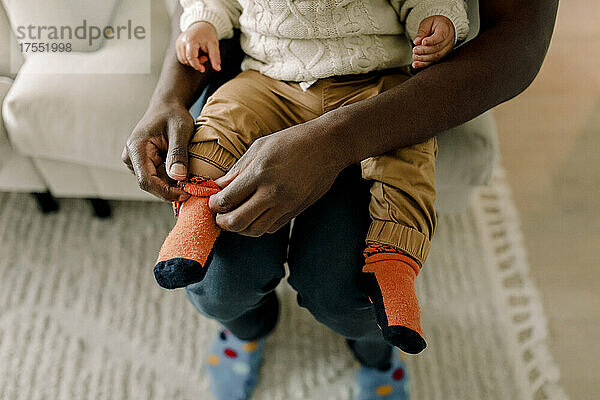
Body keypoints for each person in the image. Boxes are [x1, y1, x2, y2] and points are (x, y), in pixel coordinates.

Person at [122, 1, 558, 399]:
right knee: (219, 285)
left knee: (349, 293)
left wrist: (437, 22)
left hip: (374, 91)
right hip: (264, 79)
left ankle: (384, 314)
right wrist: (173, 86)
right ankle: (236, 309)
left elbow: (517, 40)